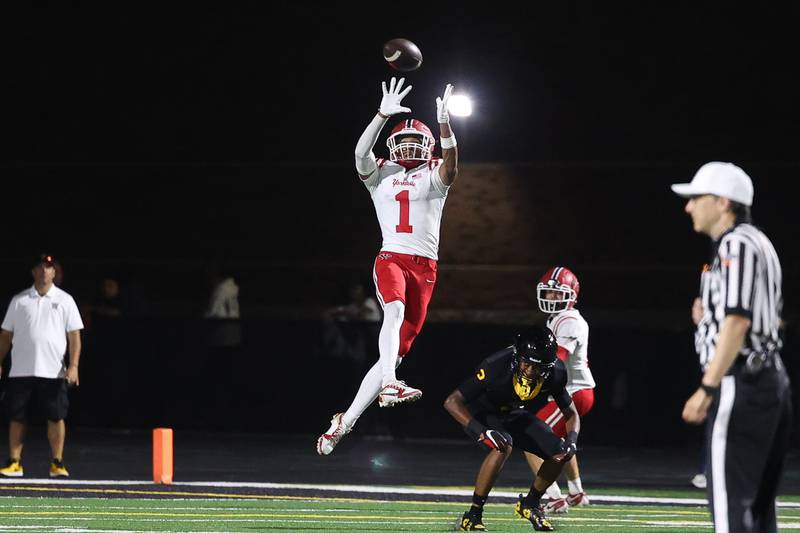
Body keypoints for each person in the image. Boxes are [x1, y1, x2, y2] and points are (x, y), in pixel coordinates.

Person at [317, 77, 459, 455]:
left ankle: (344, 422)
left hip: (425, 270)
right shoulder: (381, 172)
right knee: (392, 313)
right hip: (391, 257)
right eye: (405, 142)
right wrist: (381, 115)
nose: (410, 147)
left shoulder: (434, 173)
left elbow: (452, 163)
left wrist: (445, 124)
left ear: (427, 146)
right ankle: (393, 383)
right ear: (394, 146)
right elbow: (360, 154)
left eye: (417, 142)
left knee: (390, 354)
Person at [673, 162, 791, 532]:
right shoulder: (759, 242)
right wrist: (709, 318)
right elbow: (766, 318)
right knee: (758, 510)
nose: (689, 207)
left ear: (722, 202)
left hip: (742, 381)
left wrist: (708, 387)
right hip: (770, 380)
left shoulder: (735, 243)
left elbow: (738, 320)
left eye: (696, 198)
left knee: (731, 510)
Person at [444, 325, 581, 532]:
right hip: (481, 414)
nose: (531, 371)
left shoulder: (555, 372)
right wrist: (481, 431)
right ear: (518, 357)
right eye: (527, 364)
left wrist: (572, 440)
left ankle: (531, 504)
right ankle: (472, 515)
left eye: (539, 367)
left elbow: (571, 413)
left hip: (513, 413)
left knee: (561, 451)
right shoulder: (496, 365)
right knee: (503, 445)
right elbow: (452, 401)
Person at [0, 254, 84, 478]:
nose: (44, 272)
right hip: (21, 370)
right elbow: (6, 336)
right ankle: (14, 462)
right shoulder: (19, 301)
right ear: (33, 272)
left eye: (48, 268)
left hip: (53, 371)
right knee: (16, 415)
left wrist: (73, 366)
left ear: (54, 273)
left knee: (56, 416)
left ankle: (57, 462)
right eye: (40, 267)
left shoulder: (65, 300)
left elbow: (74, 336)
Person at [524, 266, 596, 514]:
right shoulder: (557, 319)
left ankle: (553, 497)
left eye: (558, 294)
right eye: (549, 293)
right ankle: (576, 493)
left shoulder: (570, 321)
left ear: (571, 294)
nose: (552, 298)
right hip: (575, 390)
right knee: (562, 442)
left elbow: (558, 361)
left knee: (529, 436)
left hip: (575, 391)